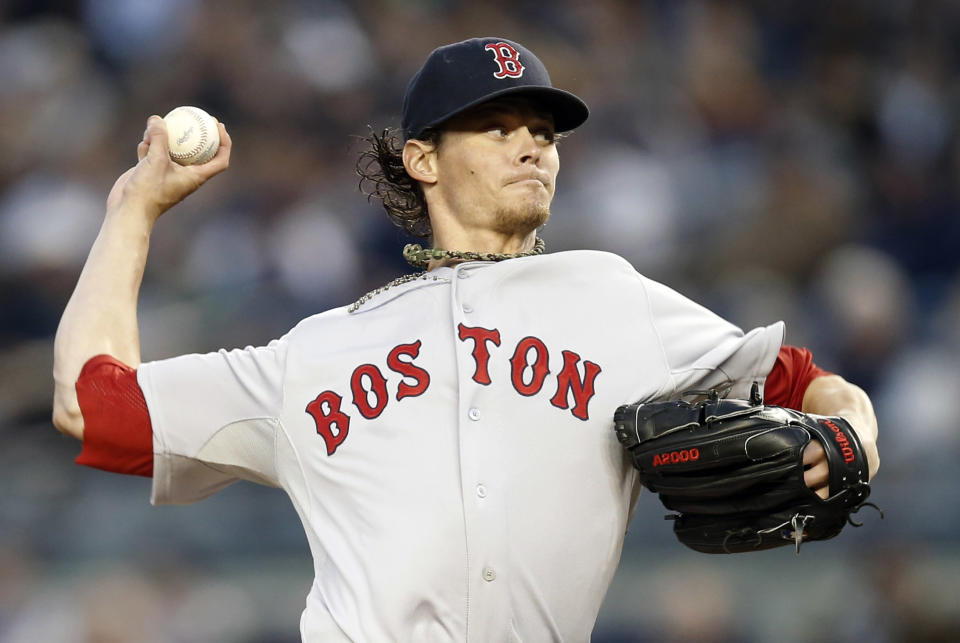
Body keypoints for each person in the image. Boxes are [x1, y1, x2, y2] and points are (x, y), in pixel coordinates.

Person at [52, 37, 879, 641]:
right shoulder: (317, 351)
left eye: (545, 133)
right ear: (422, 158)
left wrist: (856, 431)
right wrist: (134, 206)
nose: (532, 145)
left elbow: (805, 382)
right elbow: (93, 405)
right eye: (496, 125)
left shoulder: (613, 298)